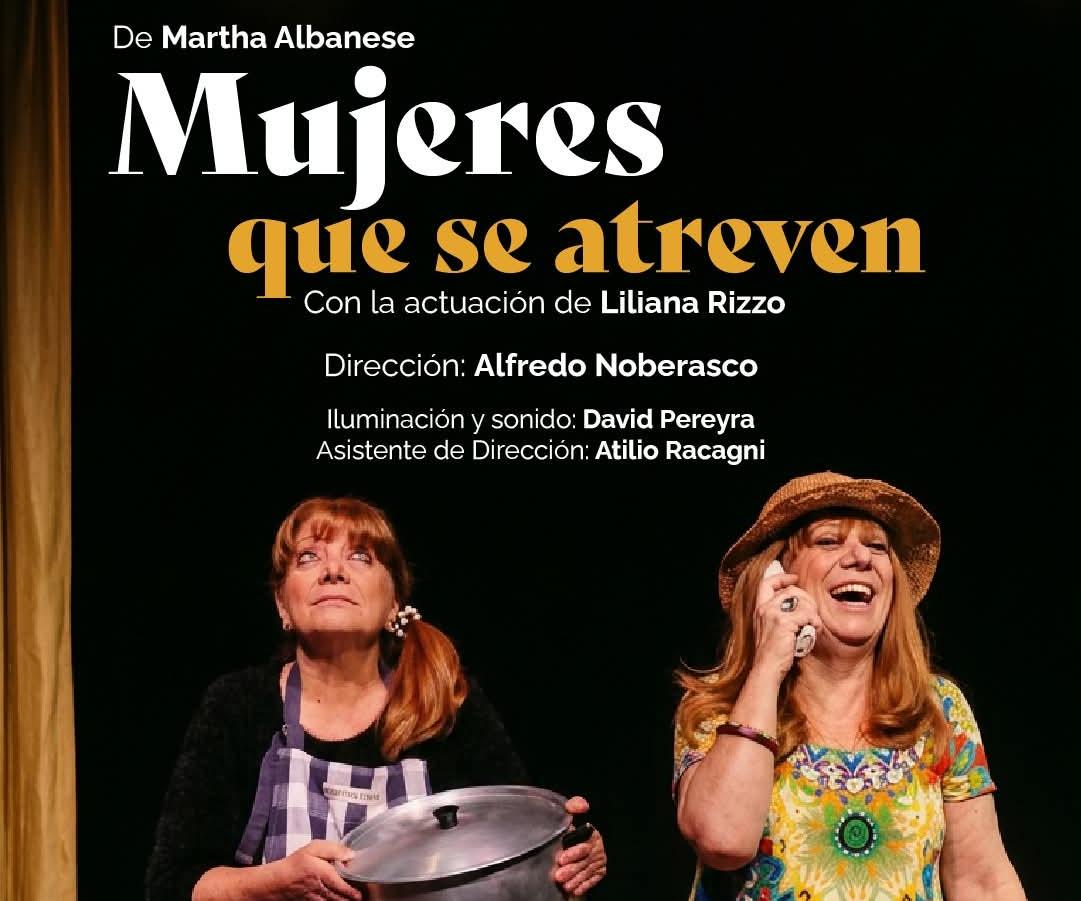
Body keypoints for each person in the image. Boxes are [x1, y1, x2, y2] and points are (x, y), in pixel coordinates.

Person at [146, 496, 607, 901]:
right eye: (308, 557)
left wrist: (571, 856)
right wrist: (274, 884)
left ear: (393, 604)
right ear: (282, 605)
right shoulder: (238, 705)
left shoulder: (443, 702)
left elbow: (522, 857)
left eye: (360, 556)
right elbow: (172, 885)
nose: (333, 571)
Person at [673, 472, 1025, 901]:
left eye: (877, 547)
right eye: (828, 541)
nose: (860, 558)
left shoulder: (937, 708)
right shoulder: (717, 707)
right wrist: (767, 664)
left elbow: (983, 882)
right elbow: (723, 841)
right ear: (776, 577)